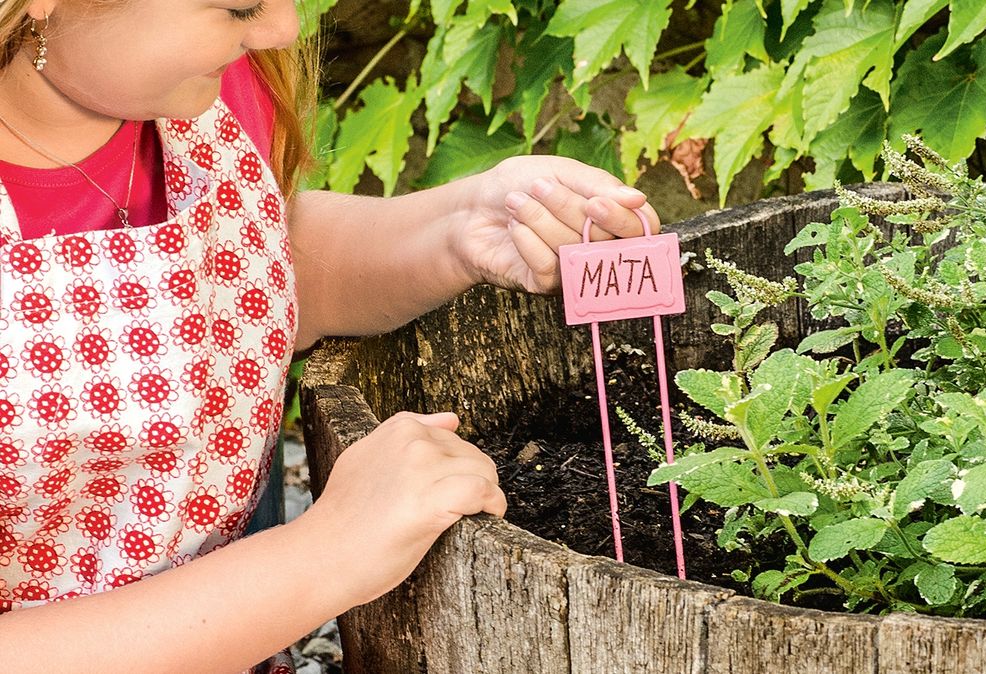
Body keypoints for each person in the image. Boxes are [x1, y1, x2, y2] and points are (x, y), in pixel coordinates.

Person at [0, 0, 660, 671]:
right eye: (238, 6)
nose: (282, 29)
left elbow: (241, 278)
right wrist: (329, 551)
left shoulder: (205, 86)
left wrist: (464, 226)